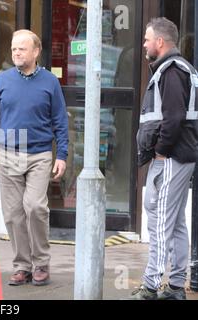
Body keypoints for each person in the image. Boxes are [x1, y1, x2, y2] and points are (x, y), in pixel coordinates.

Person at [0, 29, 68, 286]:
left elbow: (60, 122)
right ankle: (22, 266)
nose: (16, 52)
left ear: (36, 52)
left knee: (35, 207)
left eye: (22, 49)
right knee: (13, 214)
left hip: (39, 155)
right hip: (8, 155)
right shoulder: (3, 80)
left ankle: (41, 262)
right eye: (14, 48)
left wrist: (61, 154)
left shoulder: (50, 82)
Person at [129, 17, 198, 300]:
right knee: (177, 223)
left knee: (158, 220)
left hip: (170, 157)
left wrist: (160, 151)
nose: (144, 44)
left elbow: (173, 118)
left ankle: (150, 286)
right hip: (179, 156)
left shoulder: (171, 71)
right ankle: (175, 286)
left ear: (160, 42)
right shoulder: (183, 69)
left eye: (147, 39)